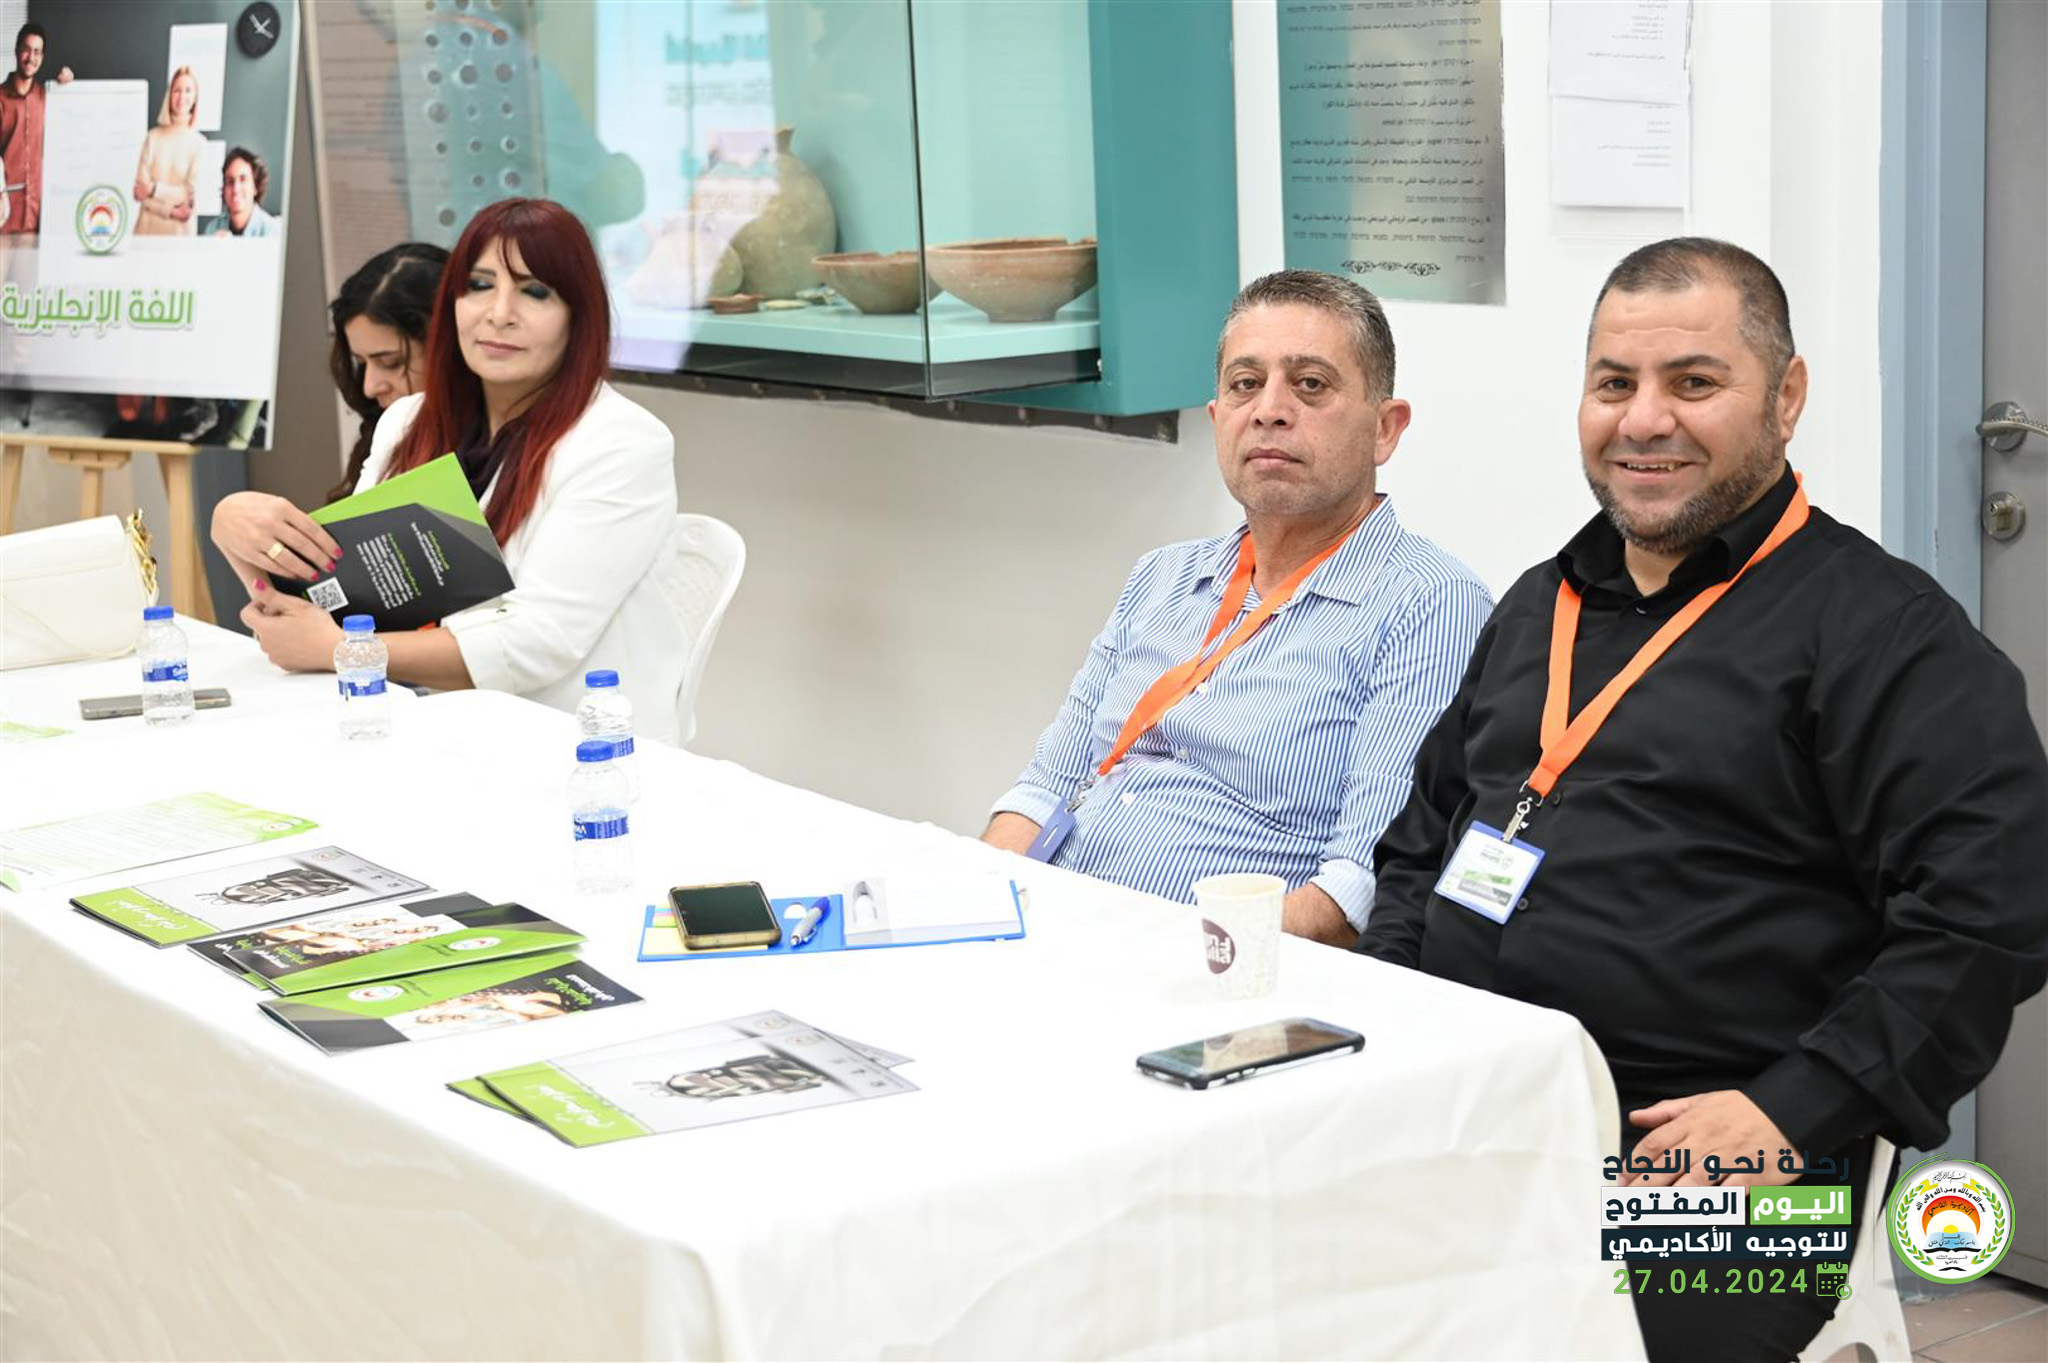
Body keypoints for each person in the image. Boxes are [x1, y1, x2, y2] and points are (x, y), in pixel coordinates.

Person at [1354, 238, 2048, 1361]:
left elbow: (1987, 916)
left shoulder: (1885, 634)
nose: (1643, 420)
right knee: (1255, 1284)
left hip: (1718, 1149)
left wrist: (1792, 1110)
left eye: (1692, 381)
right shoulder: (1537, 605)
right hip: (1471, 1099)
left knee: (1563, 1343)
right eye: (1613, 383)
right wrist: (1397, 1008)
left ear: (1785, 397)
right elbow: (1421, 840)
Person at [982, 270, 1492, 945]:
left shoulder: (1428, 605)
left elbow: (1355, 894)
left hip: (1210, 967)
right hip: (1055, 928)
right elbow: (1042, 790)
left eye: (1311, 384)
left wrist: (1155, 952)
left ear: (1385, 429)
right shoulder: (1163, 576)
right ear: (1218, 417)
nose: (1269, 410)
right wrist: (982, 906)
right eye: (1245, 384)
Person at [213, 198, 688, 741]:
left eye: (535, 291)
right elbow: (344, 596)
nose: (499, 313)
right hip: (431, 731)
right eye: (480, 285)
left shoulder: (623, 443)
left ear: (578, 317)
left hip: (574, 750)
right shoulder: (407, 421)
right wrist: (234, 526)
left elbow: (538, 644)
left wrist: (341, 650)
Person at [323, 242, 449, 502]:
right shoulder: (387, 435)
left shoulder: (495, 452)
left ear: (446, 349)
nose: (369, 387)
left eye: (391, 362)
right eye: (361, 363)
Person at [0, 23, 73, 234]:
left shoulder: (47, 97)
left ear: (42, 57)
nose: (31, 57)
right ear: (16, 51)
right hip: (4, 215)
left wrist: (68, 89)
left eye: (37, 51)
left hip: (39, 217)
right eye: (26, 49)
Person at [133, 65, 203, 237]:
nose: (182, 96)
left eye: (188, 90)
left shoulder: (199, 143)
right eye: (177, 90)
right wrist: (171, 211)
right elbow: (140, 193)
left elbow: (188, 194)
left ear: (195, 97)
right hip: (146, 233)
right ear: (169, 95)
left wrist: (153, 189)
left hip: (180, 237)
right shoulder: (153, 137)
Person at [211, 147, 278, 238]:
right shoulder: (213, 228)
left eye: (243, 179)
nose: (236, 189)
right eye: (230, 181)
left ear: (255, 187)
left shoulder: (271, 230)